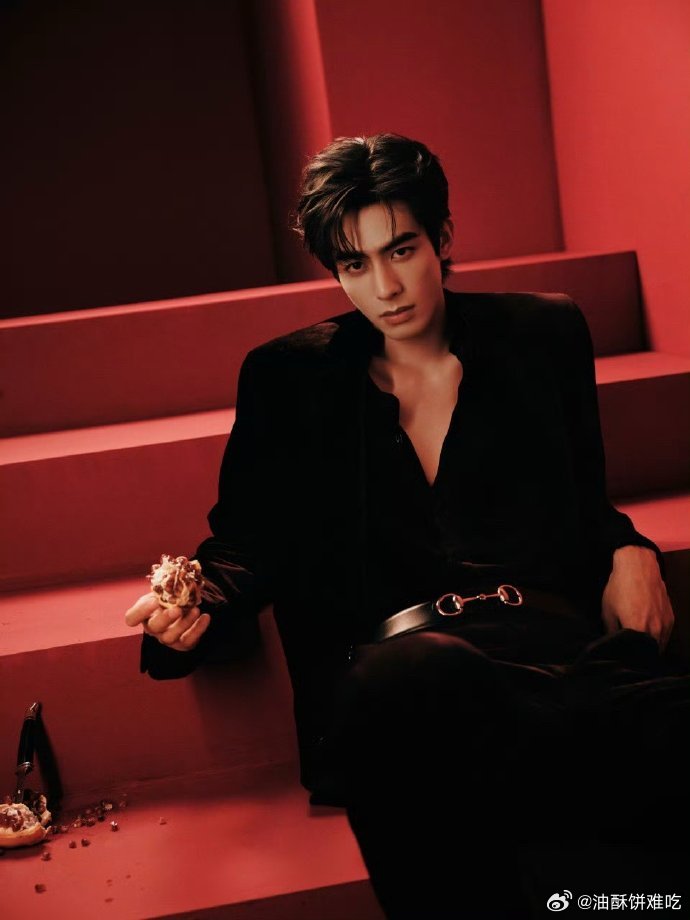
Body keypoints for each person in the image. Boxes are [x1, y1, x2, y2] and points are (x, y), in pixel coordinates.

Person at [125, 135, 687, 919]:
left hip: (564, 664)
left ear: (443, 238)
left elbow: (582, 499)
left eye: (402, 249)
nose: (385, 287)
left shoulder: (543, 334)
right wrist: (194, 603)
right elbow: (245, 543)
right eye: (354, 264)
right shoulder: (291, 379)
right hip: (410, 680)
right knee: (424, 684)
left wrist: (630, 547)